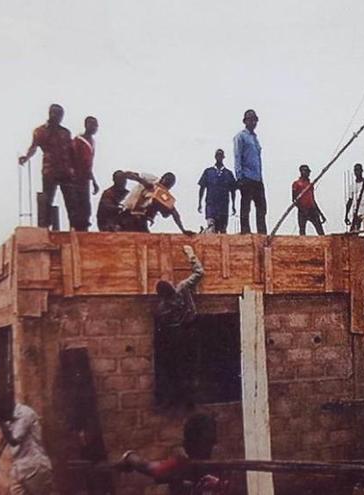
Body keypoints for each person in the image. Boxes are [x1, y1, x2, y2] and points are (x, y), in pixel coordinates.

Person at [114, 414, 228, 495]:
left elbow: (149, 467)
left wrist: (130, 457)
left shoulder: (214, 466)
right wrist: (130, 457)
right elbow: (151, 468)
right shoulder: (180, 464)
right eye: (208, 440)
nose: (214, 442)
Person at [154, 245, 204, 406]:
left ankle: (178, 400)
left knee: (178, 369)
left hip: (177, 337)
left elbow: (160, 325)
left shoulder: (163, 307)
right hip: (191, 332)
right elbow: (199, 272)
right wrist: (190, 253)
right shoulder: (182, 288)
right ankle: (190, 401)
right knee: (192, 368)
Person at [18, 104, 75, 229]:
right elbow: (33, 147)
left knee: (71, 203)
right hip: (50, 171)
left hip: (66, 171)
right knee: (47, 201)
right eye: (55, 113)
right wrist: (26, 157)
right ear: (50, 113)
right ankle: (45, 228)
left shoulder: (65, 133)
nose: (58, 117)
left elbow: (71, 152)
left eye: (60, 115)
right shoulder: (40, 131)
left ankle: (74, 228)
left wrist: (74, 170)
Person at [0, 394, 54, 495]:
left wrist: (1, 422)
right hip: (20, 467)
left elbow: (14, 440)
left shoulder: (24, 413)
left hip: (34, 465)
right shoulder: (11, 416)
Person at [119, 172, 195, 235]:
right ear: (162, 179)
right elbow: (135, 175)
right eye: (166, 183)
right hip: (127, 211)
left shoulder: (163, 195)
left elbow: (174, 212)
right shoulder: (151, 180)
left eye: (168, 186)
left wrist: (183, 230)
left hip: (140, 219)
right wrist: (140, 181)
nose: (165, 187)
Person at [233, 109, 266, 234]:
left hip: (257, 178)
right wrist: (239, 176)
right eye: (250, 119)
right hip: (246, 177)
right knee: (246, 206)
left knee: (261, 207)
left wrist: (260, 178)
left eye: (254, 120)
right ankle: (245, 231)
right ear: (245, 121)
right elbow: (237, 156)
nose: (253, 122)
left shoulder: (255, 138)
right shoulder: (240, 136)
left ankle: (262, 232)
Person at [67, 116, 100, 231]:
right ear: (86, 125)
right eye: (93, 125)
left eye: (96, 125)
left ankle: (84, 229)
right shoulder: (78, 140)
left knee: (86, 207)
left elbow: (88, 164)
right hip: (76, 179)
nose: (95, 127)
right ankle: (76, 229)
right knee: (76, 206)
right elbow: (72, 159)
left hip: (85, 179)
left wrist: (94, 181)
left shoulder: (92, 142)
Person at [198, 149, 237, 233]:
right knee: (211, 227)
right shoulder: (208, 172)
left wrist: (234, 205)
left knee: (222, 230)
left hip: (223, 207)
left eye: (221, 155)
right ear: (215, 157)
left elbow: (233, 191)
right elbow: (202, 188)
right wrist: (199, 203)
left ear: (223, 157)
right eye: (218, 155)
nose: (219, 157)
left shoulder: (228, 173)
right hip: (211, 205)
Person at [291, 164, 325, 235]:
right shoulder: (296, 184)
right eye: (306, 171)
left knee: (320, 230)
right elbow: (294, 200)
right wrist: (302, 209)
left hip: (312, 209)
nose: (308, 173)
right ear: (301, 172)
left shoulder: (310, 184)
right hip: (302, 210)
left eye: (308, 171)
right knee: (302, 231)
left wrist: (320, 213)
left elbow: (312, 199)